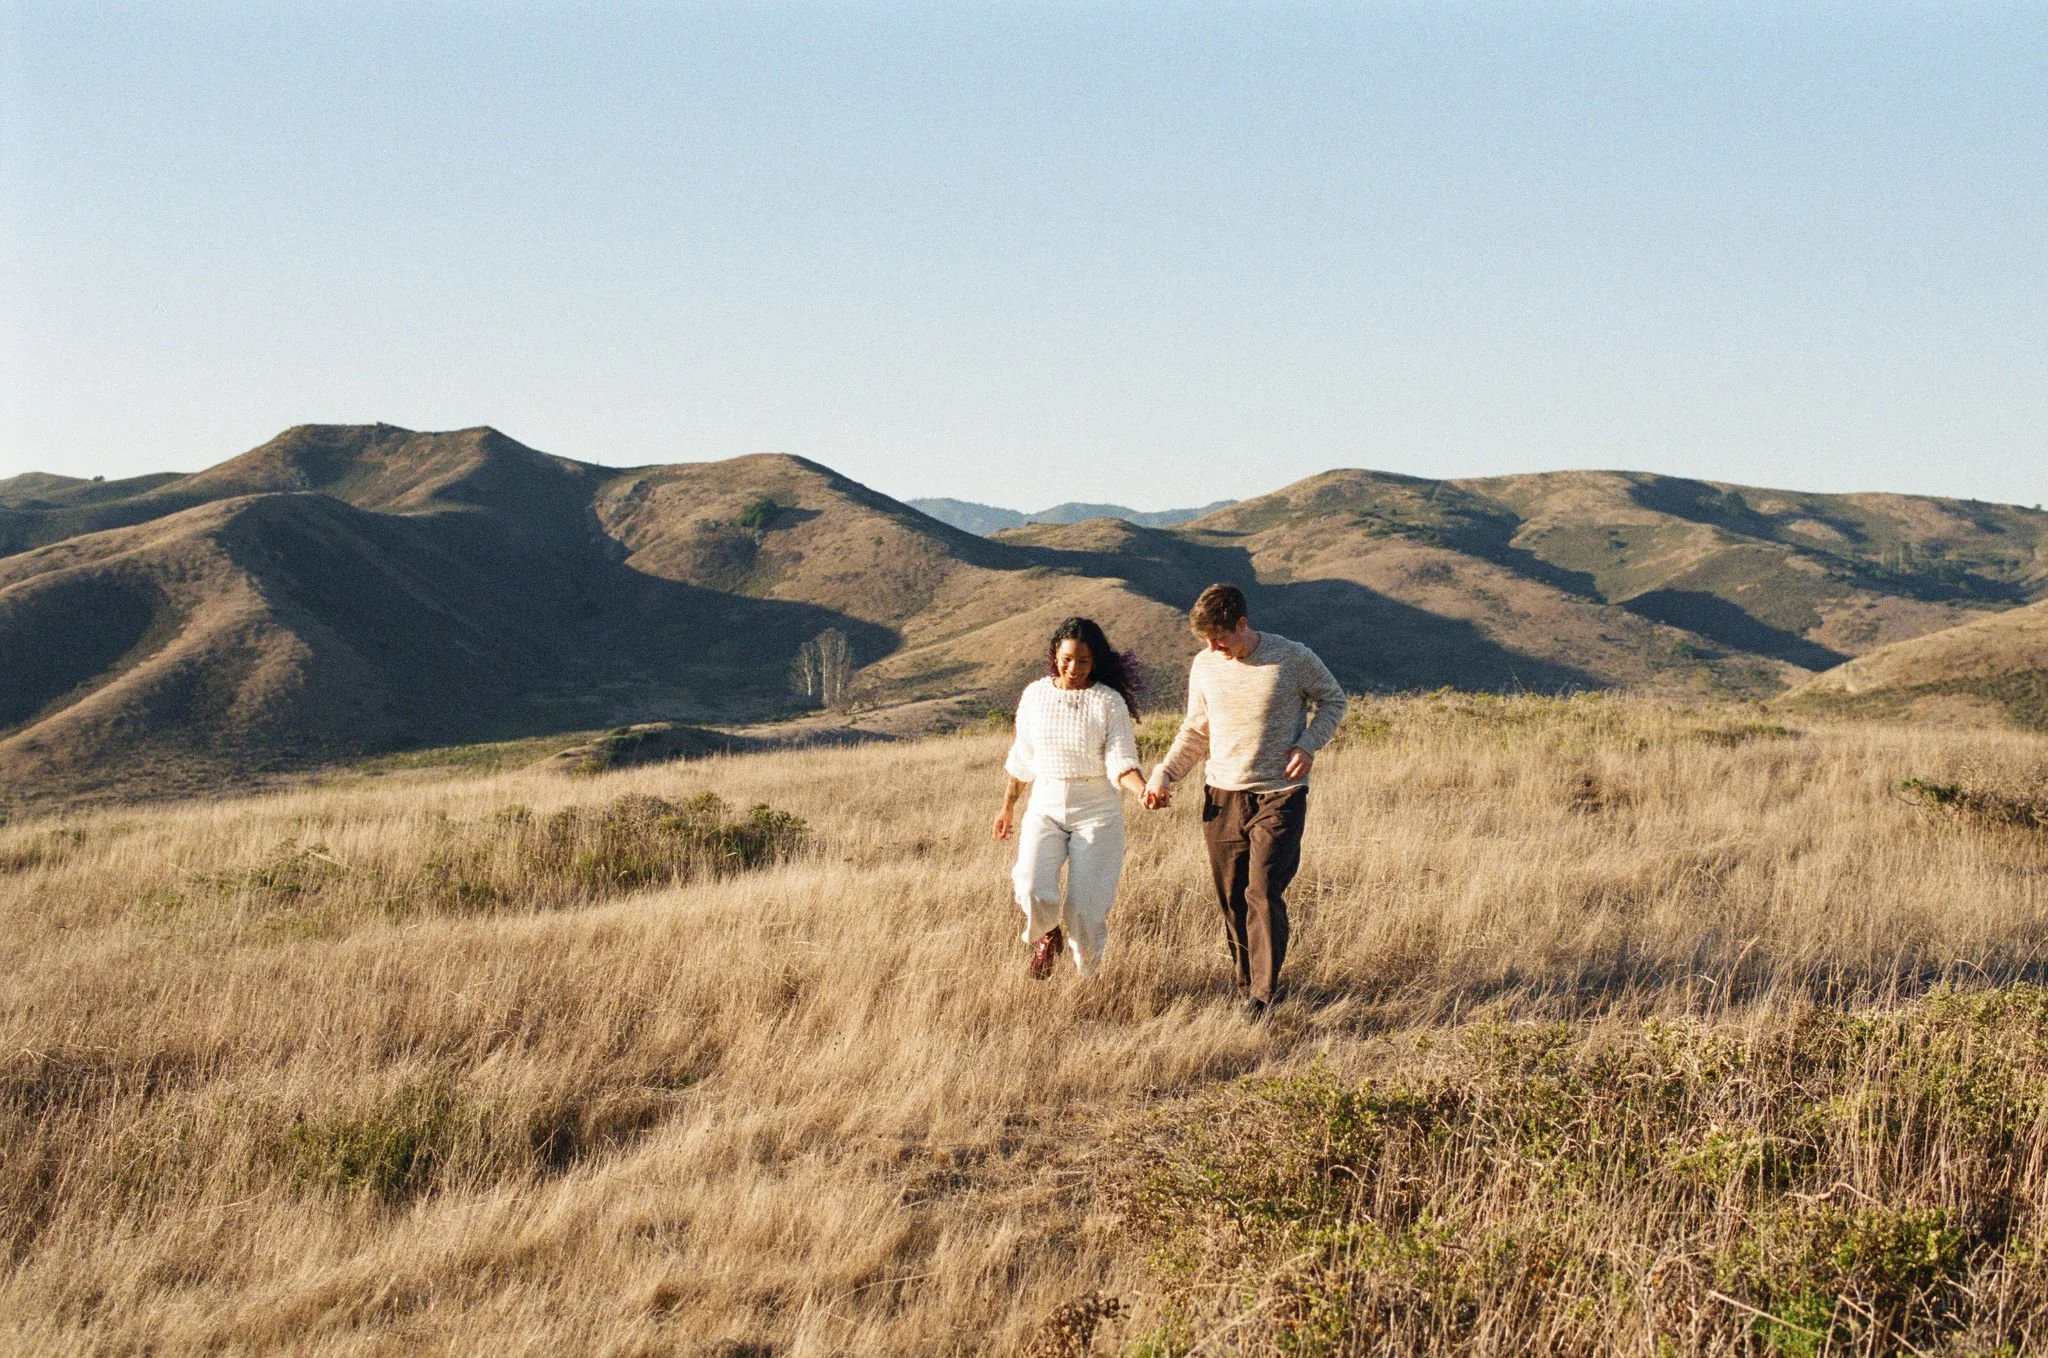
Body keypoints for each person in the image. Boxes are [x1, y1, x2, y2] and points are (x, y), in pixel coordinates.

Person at [1143, 584, 1347, 1018]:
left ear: (1242, 622)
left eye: (1221, 638)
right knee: (1232, 897)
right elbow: (1195, 730)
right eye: (1207, 641)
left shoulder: (1292, 657)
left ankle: (1263, 995)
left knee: (1262, 889)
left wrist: (1308, 744)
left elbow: (1333, 700)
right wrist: (1163, 775)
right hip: (1222, 794)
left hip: (1279, 793)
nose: (1215, 648)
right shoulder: (1204, 665)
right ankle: (1245, 983)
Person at [993, 616, 1149, 979]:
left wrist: (1142, 789)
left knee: (1084, 908)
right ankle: (1047, 935)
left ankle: (1087, 980)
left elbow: (1121, 758)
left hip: (1096, 809)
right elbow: (1022, 757)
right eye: (1067, 659)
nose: (1073, 668)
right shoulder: (1034, 696)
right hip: (1044, 804)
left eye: (1083, 661)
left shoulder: (1108, 703)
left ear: (1095, 662)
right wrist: (1007, 806)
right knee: (1030, 886)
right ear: (1055, 655)